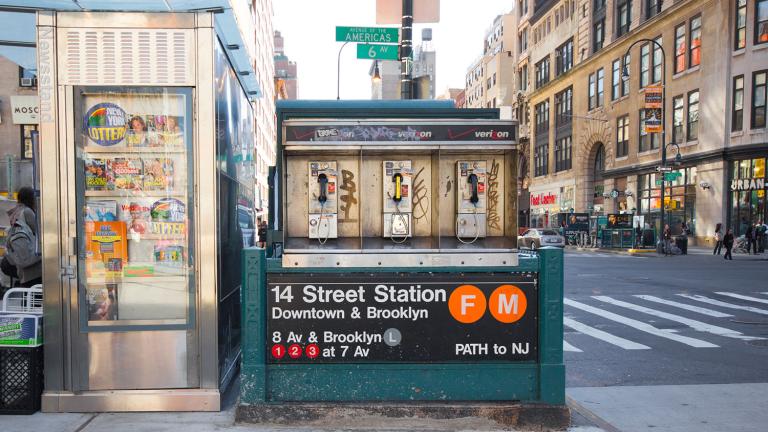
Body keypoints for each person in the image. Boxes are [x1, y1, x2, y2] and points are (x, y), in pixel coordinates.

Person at [7, 187, 41, 287]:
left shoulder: (16, 211)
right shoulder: (27, 212)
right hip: (32, 267)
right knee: (33, 295)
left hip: (22, 263)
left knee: (27, 295)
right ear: (31, 198)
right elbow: (38, 231)